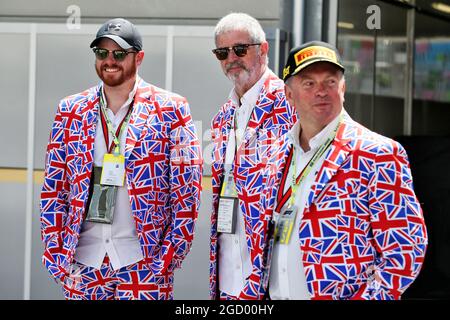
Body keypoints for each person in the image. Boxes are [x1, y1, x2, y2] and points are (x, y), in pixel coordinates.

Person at [40, 18, 202, 300]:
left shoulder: (172, 109)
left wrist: (167, 258)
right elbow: (54, 188)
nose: (109, 60)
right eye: (102, 53)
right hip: (83, 261)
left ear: (138, 57)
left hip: (144, 262)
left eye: (119, 53)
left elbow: (187, 191)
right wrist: (55, 253)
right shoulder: (70, 110)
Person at [260, 40, 428, 299]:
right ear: (289, 95)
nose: (322, 91)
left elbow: (406, 250)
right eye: (309, 83)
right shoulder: (275, 153)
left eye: (330, 82)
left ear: (343, 88)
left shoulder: (378, 153)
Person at [209, 12, 297, 300]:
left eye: (240, 49)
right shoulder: (222, 117)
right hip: (227, 277)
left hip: (273, 276)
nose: (232, 58)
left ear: (264, 49)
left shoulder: (293, 102)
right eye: (223, 52)